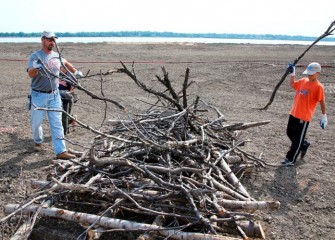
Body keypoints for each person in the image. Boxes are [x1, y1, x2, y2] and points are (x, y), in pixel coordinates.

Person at [27, 31, 81, 159]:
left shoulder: (57, 56)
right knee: (36, 123)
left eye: (53, 39)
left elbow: (66, 64)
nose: (52, 42)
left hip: (54, 95)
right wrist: (36, 67)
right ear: (43, 40)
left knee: (56, 123)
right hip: (38, 95)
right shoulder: (35, 56)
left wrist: (76, 72)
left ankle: (61, 151)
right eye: (49, 39)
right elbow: (30, 74)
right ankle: (38, 141)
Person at [282, 62, 327, 166]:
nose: (309, 75)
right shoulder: (303, 81)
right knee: (289, 132)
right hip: (293, 113)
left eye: (311, 74)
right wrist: (292, 74)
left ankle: (290, 159)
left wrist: (324, 115)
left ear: (318, 73)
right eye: (308, 73)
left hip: (304, 117)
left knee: (297, 139)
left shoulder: (318, 87)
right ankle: (304, 145)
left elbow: (322, 101)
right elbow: (293, 84)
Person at [59, 60, 82, 135]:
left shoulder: (70, 76)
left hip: (67, 99)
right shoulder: (56, 74)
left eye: (62, 66)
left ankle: (64, 133)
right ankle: (72, 119)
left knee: (64, 116)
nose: (60, 67)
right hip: (56, 98)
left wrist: (69, 92)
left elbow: (73, 88)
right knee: (58, 116)